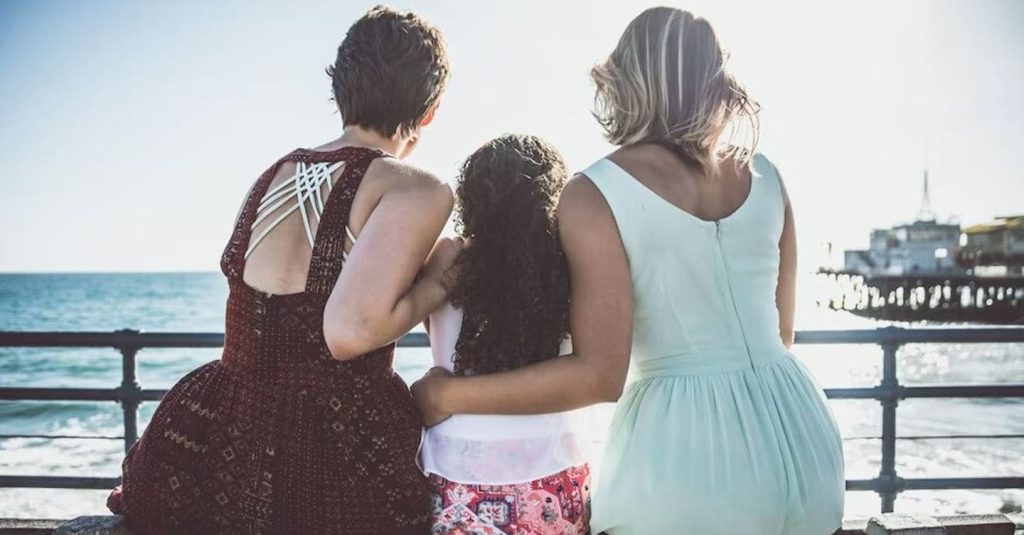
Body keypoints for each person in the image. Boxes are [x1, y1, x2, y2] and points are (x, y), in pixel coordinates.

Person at [412, 7, 844, 534]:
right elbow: (781, 333)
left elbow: (600, 375)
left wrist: (447, 395)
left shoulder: (596, 191)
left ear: (626, 83)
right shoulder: (768, 174)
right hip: (804, 440)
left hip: (685, 459)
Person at [108, 6, 456, 533]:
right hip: (334, 456)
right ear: (430, 110)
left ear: (341, 88)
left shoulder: (271, 174)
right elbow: (353, 331)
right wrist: (440, 282)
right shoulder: (416, 189)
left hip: (218, 438)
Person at [421, 134, 591, 534]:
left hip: (457, 475)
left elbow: (432, 330)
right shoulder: (570, 269)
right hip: (554, 477)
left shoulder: (448, 261)